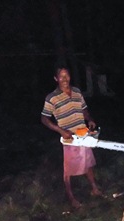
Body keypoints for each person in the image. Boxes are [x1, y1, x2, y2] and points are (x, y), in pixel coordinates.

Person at [41, 66, 102, 208]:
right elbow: (44, 119)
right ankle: (71, 198)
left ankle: (95, 189)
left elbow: (84, 109)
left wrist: (90, 119)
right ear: (56, 79)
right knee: (68, 169)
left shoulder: (76, 92)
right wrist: (60, 130)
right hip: (69, 138)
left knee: (87, 162)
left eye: (66, 76)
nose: (64, 79)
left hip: (83, 133)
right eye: (61, 76)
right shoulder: (52, 98)